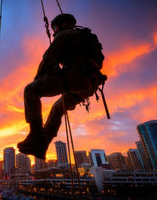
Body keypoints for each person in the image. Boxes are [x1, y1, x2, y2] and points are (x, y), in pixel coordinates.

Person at [17, 13, 106, 160]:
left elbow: (49, 59)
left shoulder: (65, 34)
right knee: (57, 109)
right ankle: (42, 145)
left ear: (63, 24)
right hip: (91, 84)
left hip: (75, 76)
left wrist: (38, 78)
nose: (54, 31)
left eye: (55, 27)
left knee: (30, 91)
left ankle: (36, 136)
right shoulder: (86, 39)